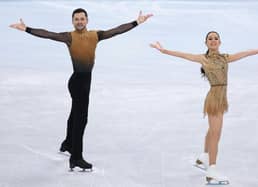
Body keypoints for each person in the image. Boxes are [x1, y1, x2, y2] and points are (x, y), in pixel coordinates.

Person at [10, 8, 153, 171]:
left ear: (87, 20)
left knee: (75, 113)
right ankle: (76, 158)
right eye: (76, 19)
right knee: (81, 119)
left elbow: (116, 31)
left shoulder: (95, 35)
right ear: (72, 21)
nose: (79, 21)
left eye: (82, 19)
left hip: (85, 82)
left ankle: (68, 143)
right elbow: (48, 34)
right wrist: (27, 29)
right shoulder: (69, 37)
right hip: (78, 83)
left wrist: (136, 22)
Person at [150, 31, 258, 184]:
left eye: (215, 38)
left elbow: (244, 54)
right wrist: (164, 51)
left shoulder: (226, 58)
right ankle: (212, 171)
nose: (213, 40)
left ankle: (204, 157)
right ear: (206, 43)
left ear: (220, 42)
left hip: (221, 97)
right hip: (214, 99)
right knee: (216, 133)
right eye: (210, 39)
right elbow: (183, 55)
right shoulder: (203, 58)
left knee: (212, 130)